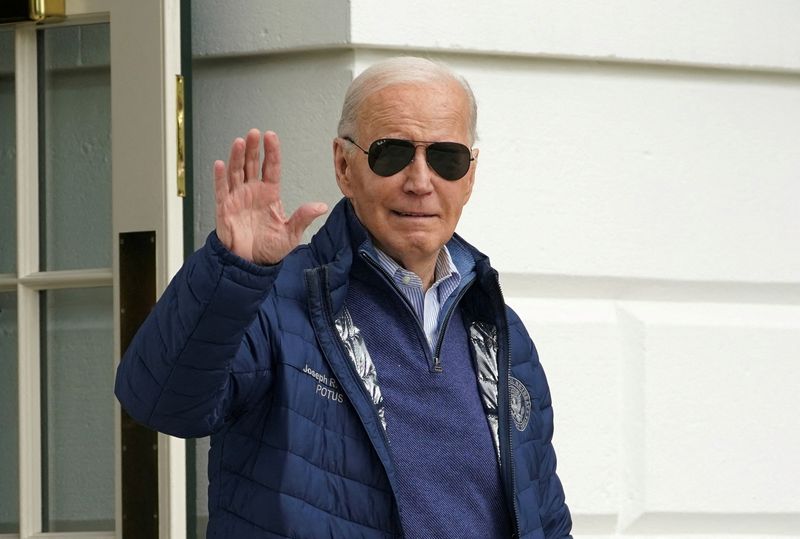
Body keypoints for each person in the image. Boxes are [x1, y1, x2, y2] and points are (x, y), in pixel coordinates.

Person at [115, 56, 571, 539]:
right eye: (392, 154)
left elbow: (545, 516)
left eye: (446, 158)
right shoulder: (271, 299)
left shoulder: (502, 332)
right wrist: (233, 272)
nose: (420, 181)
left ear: (470, 175)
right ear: (343, 165)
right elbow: (160, 403)